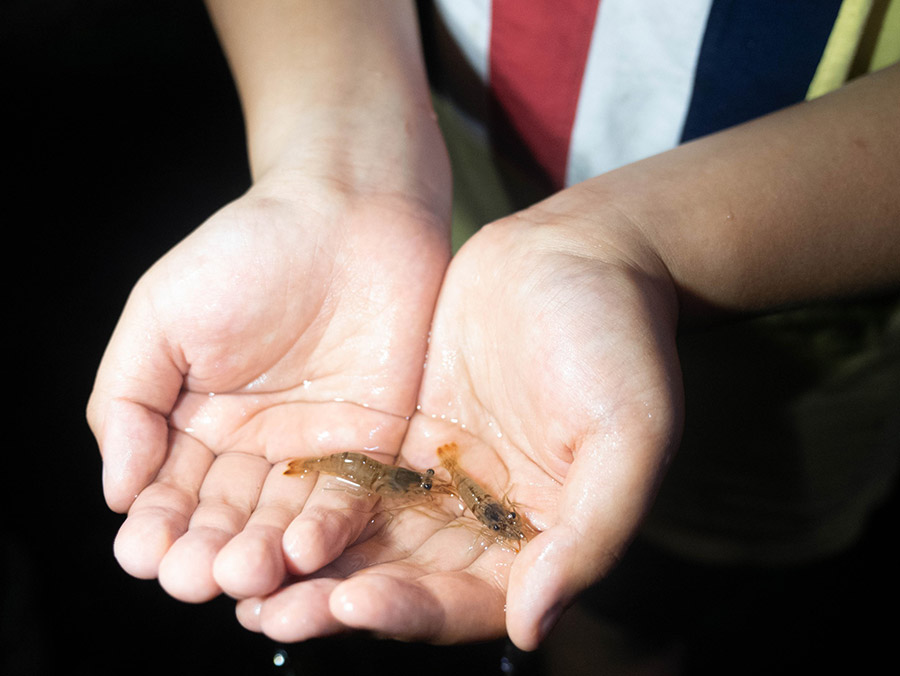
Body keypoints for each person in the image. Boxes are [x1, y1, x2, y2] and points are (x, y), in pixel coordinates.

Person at [86, 0, 899, 657]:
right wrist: (337, 164)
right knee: (592, 585)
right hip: (446, 251)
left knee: (701, 565)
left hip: (791, 376)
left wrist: (631, 248)